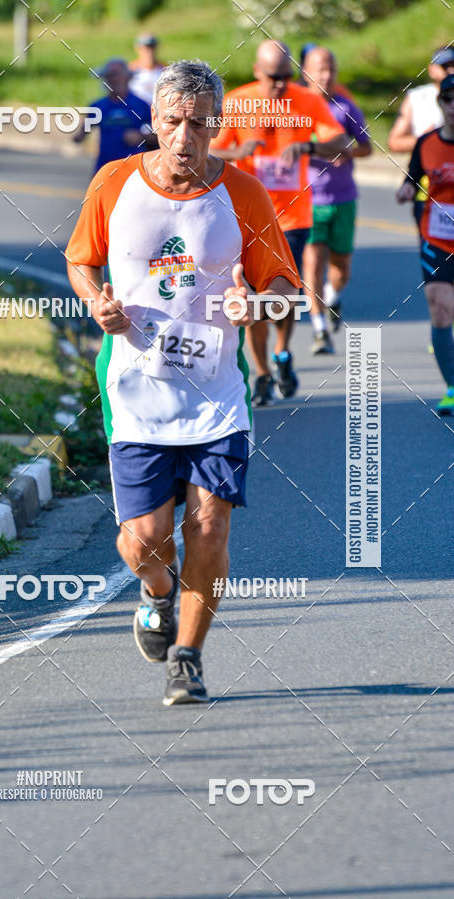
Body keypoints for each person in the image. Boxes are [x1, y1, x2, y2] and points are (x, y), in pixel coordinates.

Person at [65, 60, 300, 704]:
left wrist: (258, 305)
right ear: (156, 121)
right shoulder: (114, 184)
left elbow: (282, 285)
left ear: (217, 125)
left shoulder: (245, 195)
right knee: (145, 542)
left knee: (211, 527)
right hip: (135, 393)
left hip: (216, 396)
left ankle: (188, 658)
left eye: (198, 123)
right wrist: (97, 303)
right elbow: (80, 260)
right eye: (172, 121)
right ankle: (156, 592)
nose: (183, 135)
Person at [211, 40, 348, 406]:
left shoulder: (306, 100)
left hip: (293, 218)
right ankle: (262, 375)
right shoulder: (238, 102)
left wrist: (309, 148)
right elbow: (210, 149)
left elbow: (341, 141)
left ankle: (283, 351)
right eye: (274, 77)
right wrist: (238, 153)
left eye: (287, 76)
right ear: (258, 71)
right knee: (254, 299)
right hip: (246, 219)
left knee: (286, 297)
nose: (281, 85)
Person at [301, 47, 372, 353]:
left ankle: (331, 297)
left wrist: (348, 152)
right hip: (308, 199)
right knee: (313, 262)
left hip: (343, 198)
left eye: (330, 69)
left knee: (341, 268)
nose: (325, 76)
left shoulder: (346, 108)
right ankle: (319, 330)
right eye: (319, 69)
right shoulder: (295, 108)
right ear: (306, 73)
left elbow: (367, 147)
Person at [397, 74, 454, 416]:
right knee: (439, 306)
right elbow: (410, 179)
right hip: (437, 238)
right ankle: (452, 387)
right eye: (448, 100)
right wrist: (405, 191)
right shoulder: (427, 142)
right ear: (441, 104)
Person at [389, 47, 454, 232]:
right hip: (428, 192)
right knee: (436, 250)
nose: (451, 71)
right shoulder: (417, 97)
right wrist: (430, 140)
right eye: (445, 66)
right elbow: (394, 142)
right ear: (432, 69)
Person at [73, 58, 156, 173]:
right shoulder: (98, 106)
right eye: (110, 76)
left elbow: (158, 136)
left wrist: (141, 136)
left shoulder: (140, 105)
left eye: (118, 75)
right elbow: (80, 135)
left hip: (133, 169)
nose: (114, 79)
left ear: (127, 77)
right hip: (104, 169)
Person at [128, 34, 166, 104]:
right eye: (146, 47)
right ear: (138, 48)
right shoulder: (130, 70)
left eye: (152, 47)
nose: (149, 51)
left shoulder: (165, 70)